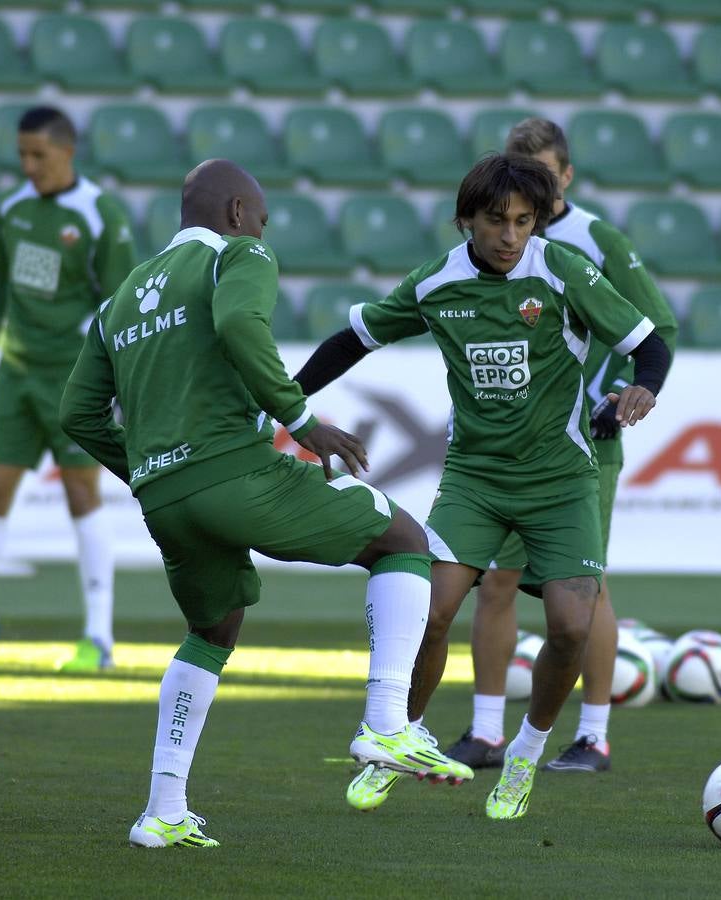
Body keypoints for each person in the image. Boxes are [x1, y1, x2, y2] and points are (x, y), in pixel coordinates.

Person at [60, 159, 474, 849]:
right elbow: (237, 326)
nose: (264, 229)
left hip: (165, 498)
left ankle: (162, 811)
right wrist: (300, 419)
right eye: (261, 217)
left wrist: (148, 472)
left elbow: (77, 413)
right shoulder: (239, 256)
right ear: (235, 214)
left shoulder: (123, 297)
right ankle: (386, 723)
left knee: (211, 632)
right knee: (403, 540)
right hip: (238, 474)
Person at [295, 154, 671, 819]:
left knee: (569, 626)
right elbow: (354, 340)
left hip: (560, 480)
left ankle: (524, 751)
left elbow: (651, 343)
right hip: (475, 478)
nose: (510, 236)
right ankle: (397, 740)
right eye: (497, 221)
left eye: (524, 221)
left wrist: (643, 388)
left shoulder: (561, 271)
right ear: (465, 218)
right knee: (430, 610)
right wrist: (288, 402)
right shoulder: (437, 282)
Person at [441, 118, 679, 776]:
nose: (527, 192)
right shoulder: (497, 248)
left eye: (542, 177)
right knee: (496, 584)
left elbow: (655, 324)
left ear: (564, 178)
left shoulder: (591, 240)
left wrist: (620, 392)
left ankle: (594, 736)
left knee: (582, 592)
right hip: (508, 452)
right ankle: (487, 731)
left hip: (581, 446)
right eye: (516, 170)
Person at [0, 106, 136, 672]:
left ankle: (98, 637)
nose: (28, 165)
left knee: (80, 494)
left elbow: (123, 301)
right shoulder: (12, 209)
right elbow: (3, 291)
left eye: (38, 155)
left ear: (67, 152)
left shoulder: (100, 214)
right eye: (21, 154)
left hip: (73, 378)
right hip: (16, 376)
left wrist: (117, 377)